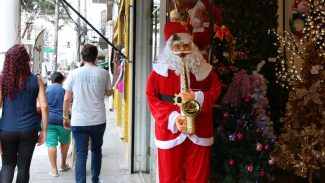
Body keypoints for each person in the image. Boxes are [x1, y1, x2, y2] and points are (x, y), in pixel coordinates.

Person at [146, 22, 222, 183]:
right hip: (170, 131)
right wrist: (172, 118)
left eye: (186, 45)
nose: (181, 50)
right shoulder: (157, 73)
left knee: (198, 177)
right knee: (169, 177)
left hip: (200, 129)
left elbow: (215, 90)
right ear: (169, 48)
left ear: (192, 46)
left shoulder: (205, 70)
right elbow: (152, 99)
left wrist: (198, 97)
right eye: (177, 46)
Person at [62, 44, 113, 183]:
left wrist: (65, 117)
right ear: (96, 57)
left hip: (79, 121)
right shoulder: (103, 73)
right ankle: (95, 180)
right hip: (98, 120)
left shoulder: (73, 73)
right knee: (96, 150)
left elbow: (67, 99)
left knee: (80, 154)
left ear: (82, 57)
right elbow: (109, 92)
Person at [0, 44, 48, 183]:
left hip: (7, 130)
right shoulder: (36, 80)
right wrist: (44, 130)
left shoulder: (2, 82)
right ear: (26, 60)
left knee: (7, 165)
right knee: (23, 167)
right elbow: (44, 106)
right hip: (29, 130)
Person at [45, 71, 71, 177]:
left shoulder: (46, 89)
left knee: (51, 144)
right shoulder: (65, 89)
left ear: (51, 79)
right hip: (63, 120)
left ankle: (54, 170)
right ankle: (63, 165)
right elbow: (69, 103)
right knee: (65, 142)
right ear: (62, 80)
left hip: (49, 120)